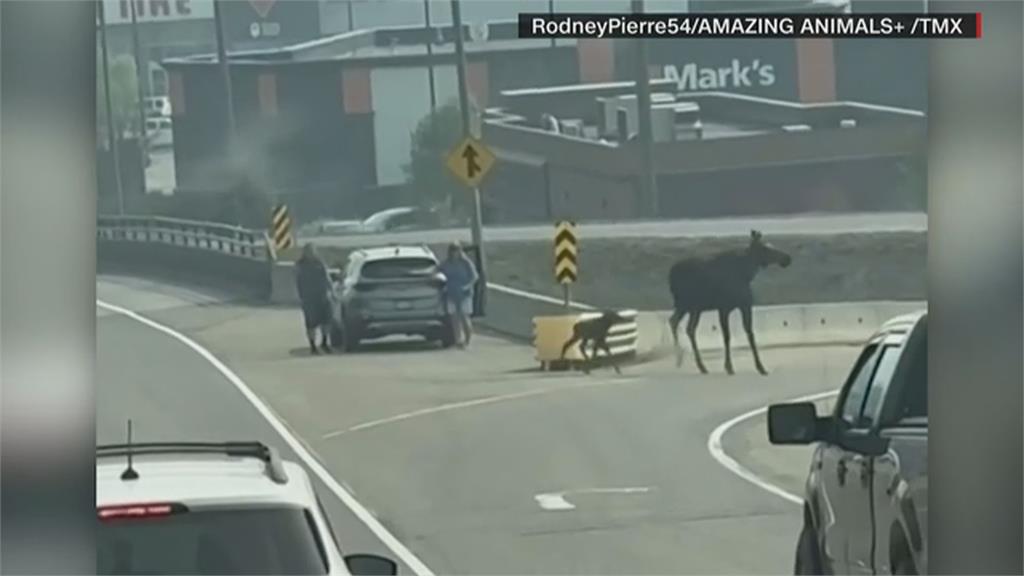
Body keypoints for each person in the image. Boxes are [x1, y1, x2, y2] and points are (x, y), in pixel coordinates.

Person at [295, 243, 334, 355]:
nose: (311, 253)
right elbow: (297, 280)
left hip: (322, 295)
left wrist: (331, 291)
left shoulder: (319, 263)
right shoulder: (300, 265)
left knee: (326, 321)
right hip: (308, 298)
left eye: (313, 251)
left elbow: (327, 277)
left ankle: (324, 343)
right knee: (311, 324)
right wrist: (300, 296)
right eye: (309, 251)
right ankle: (312, 346)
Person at [438, 242, 479, 348]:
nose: (454, 253)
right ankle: (458, 340)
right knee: (454, 318)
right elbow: (438, 272)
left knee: (464, 317)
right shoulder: (446, 263)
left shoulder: (466, 263)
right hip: (451, 294)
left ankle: (467, 340)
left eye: (456, 250)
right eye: (452, 250)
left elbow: (474, 277)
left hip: (464, 294)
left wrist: (467, 286)